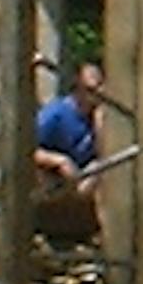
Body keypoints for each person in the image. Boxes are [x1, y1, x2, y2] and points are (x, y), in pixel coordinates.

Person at [31, 58, 108, 243]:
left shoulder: (101, 115)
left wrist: (100, 123)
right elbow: (28, 150)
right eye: (91, 88)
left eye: (101, 87)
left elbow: (105, 154)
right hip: (55, 180)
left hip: (86, 181)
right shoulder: (55, 114)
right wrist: (59, 161)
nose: (97, 93)